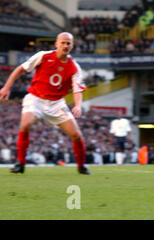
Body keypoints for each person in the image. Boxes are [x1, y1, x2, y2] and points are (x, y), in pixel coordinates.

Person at [0, 32, 91, 175]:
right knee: (25, 124)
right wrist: (6, 87)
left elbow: (77, 89)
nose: (65, 45)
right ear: (56, 44)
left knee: (76, 135)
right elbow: (20, 69)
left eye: (68, 43)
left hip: (56, 104)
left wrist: (78, 105)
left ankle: (81, 166)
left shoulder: (74, 67)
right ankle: (20, 164)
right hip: (36, 99)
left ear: (72, 46)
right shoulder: (43, 56)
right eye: (63, 42)